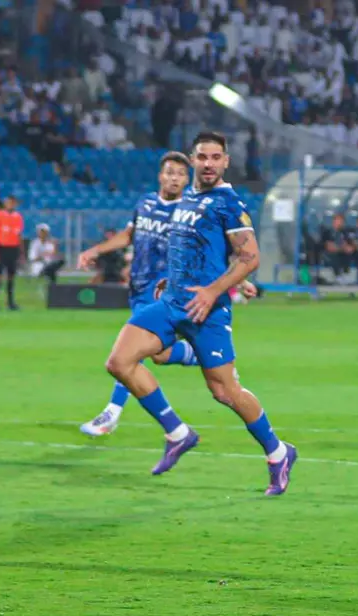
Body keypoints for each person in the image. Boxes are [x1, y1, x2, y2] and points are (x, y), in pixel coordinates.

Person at [101, 132, 296, 493]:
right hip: (173, 302)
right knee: (119, 362)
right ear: (193, 160)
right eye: (202, 157)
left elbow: (250, 257)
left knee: (224, 392)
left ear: (225, 162)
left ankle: (278, 452)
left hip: (209, 310)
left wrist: (215, 290)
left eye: (216, 157)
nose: (208, 164)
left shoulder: (228, 203)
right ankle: (177, 432)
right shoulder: (189, 198)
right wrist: (168, 279)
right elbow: (194, 249)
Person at [76, 151, 205, 436]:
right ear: (161, 175)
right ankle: (204, 354)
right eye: (170, 172)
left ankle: (111, 413)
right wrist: (96, 250)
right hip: (138, 286)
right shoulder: (145, 202)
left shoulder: (187, 212)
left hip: (162, 292)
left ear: (187, 180)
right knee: (159, 355)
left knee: (128, 357)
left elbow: (204, 250)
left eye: (180, 174)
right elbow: (129, 236)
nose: (174, 178)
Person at [0, 195, 23, 311]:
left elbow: (19, 235)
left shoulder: (18, 217)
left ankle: (10, 302)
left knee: (11, 276)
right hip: (1, 247)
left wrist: (21, 252)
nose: (11, 205)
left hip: (13, 248)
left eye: (13, 203)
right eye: (9, 202)